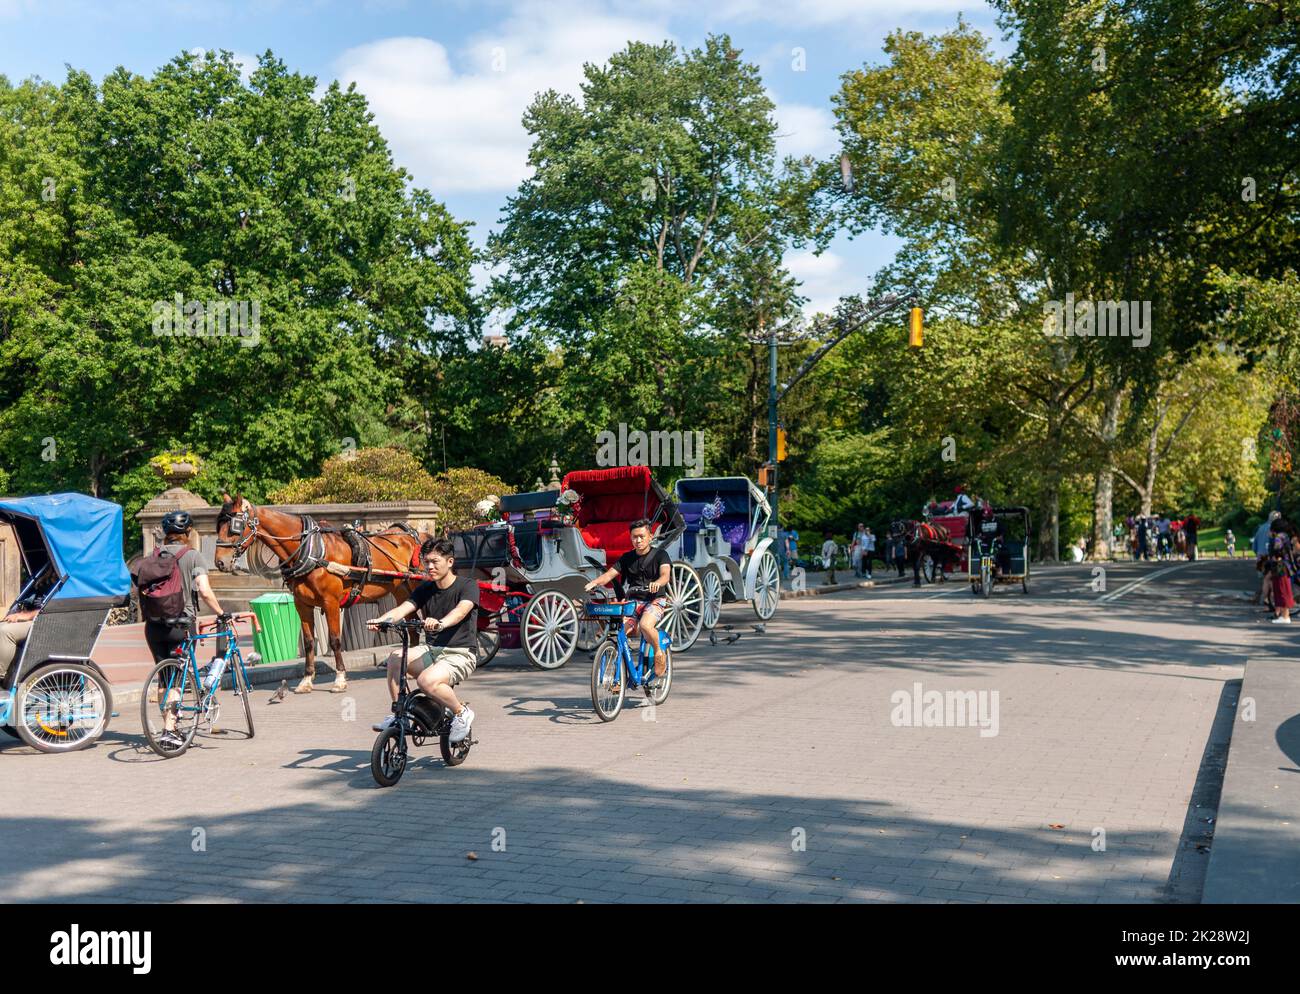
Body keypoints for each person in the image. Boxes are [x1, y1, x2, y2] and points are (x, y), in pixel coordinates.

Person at [369, 536, 479, 741]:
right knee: (395, 658)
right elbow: (403, 608)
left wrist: (441, 623)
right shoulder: (425, 589)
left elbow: (461, 611)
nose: (429, 566)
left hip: (460, 653)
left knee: (426, 681)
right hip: (431, 650)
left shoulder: (468, 585)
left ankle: (461, 712)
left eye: (435, 561)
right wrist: (381, 620)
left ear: (450, 562)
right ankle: (398, 716)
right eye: (426, 561)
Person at [135, 510, 228, 751]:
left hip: (154, 625)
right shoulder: (193, 556)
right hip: (181, 624)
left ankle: (168, 722)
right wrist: (220, 613)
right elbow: (204, 590)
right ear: (188, 533)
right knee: (177, 676)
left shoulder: (154, 555)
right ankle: (170, 731)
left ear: (166, 534)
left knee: (164, 675)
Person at [584, 518, 672, 677]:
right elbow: (609, 575)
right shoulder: (626, 558)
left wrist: (657, 583)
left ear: (650, 536)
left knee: (646, 625)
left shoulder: (661, 555)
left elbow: (665, 575)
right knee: (619, 634)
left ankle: (659, 653)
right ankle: (621, 672)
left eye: (642, 536)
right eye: (634, 537)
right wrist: (594, 583)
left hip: (655, 600)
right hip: (633, 603)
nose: (638, 540)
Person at [1253, 511, 1281, 606]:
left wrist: (1258, 554)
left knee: (1265, 579)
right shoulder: (1275, 530)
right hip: (1271, 557)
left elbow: (1254, 545)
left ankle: (1264, 599)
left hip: (1260, 557)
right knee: (1272, 579)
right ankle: (1272, 601)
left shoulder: (1261, 528)